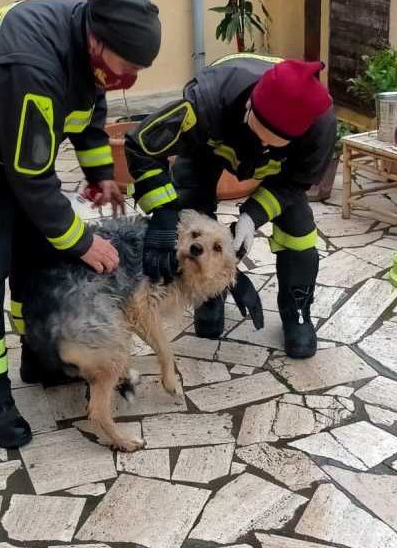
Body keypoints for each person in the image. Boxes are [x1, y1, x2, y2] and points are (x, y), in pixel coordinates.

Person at [0, 0, 162, 448]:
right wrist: (83, 242)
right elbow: (30, 177)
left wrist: (101, 173)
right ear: (98, 43)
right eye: (128, 66)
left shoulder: (86, 44)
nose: (129, 76)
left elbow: (88, 111)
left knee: (36, 253)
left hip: (5, 134)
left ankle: (42, 356)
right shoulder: (32, 63)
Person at [126, 54, 335, 359]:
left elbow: (296, 181)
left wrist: (252, 216)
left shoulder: (321, 126)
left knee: (299, 231)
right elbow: (142, 143)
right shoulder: (205, 99)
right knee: (191, 209)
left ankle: (297, 312)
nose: (258, 142)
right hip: (206, 149)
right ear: (250, 104)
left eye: (269, 140)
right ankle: (208, 295)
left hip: (277, 171)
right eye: (255, 128)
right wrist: (165, 213)